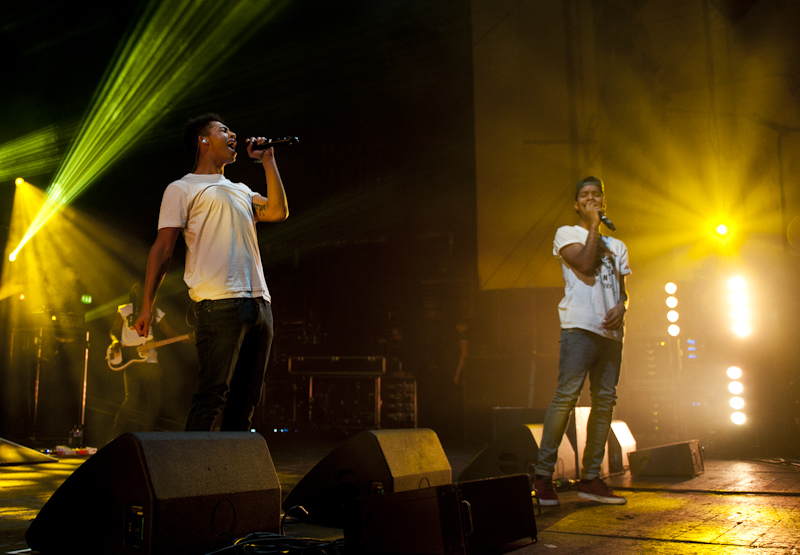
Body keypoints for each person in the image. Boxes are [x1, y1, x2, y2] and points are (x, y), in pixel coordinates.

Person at [133, 113, 289, 431]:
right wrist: (147, 304)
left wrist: (268, 161)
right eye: (223, 130)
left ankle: (231, 478)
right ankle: (190, 477)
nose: (233, 134)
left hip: (260, 304)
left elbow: (277, 211)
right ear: (204, 140)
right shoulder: (182, 189)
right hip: (219, 304)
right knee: (212, 397)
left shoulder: (242, 190)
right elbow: (163, 248)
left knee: (246, 401)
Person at [533, 176, 630, 505]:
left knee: (605, 404)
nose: (591, 199)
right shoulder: (567, 234)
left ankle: (590, 479)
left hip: (611, 335)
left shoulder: (618, 247)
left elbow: (623, 292)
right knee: (566, 399)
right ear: (577, 204)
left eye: (596, 195)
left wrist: (623, 307)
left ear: (604, 201)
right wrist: (592, 226)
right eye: (584, 196)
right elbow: (587, 266)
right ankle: (543, 476)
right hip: (579, 327)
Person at [106, 283, 176, 442]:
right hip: (130, 358)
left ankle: (145, 440)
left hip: (150, 357)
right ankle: (112, 439)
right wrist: (115, 341)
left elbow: (169, 332)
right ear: (133, 294)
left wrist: (185, 337)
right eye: (137, 292)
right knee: (131, 399)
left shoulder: (155, 310)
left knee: (155, 403)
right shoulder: (124, 309)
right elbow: (113, 331)